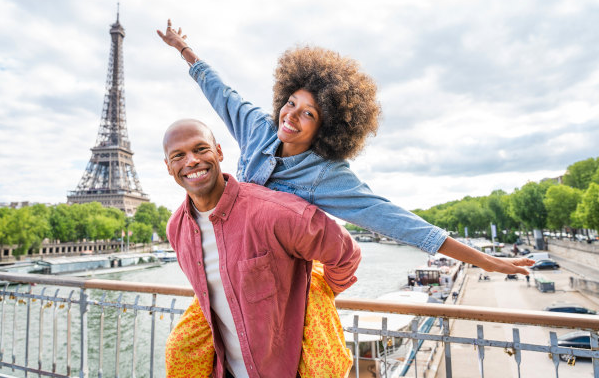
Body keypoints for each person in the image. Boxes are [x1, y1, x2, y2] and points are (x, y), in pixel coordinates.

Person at [157, 19, 535, 376]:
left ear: (326, 127)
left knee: (313, 361)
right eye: (291, 103)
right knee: (184, 349)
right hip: (244, 264)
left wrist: (486, 261)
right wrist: (184, 49)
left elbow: (399, 222)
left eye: (309, 114)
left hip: (288, 274)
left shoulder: (327, 175)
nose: (292, 116)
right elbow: (221, 92)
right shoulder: (258, 128)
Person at [163, 119, 361, 378]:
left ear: (219, 152)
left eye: (201, 149)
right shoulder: (177, 229)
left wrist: (316, 293)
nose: (191, 161)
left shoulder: (275, 212)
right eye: (179, 155)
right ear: (168, 167)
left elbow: (346, 253)